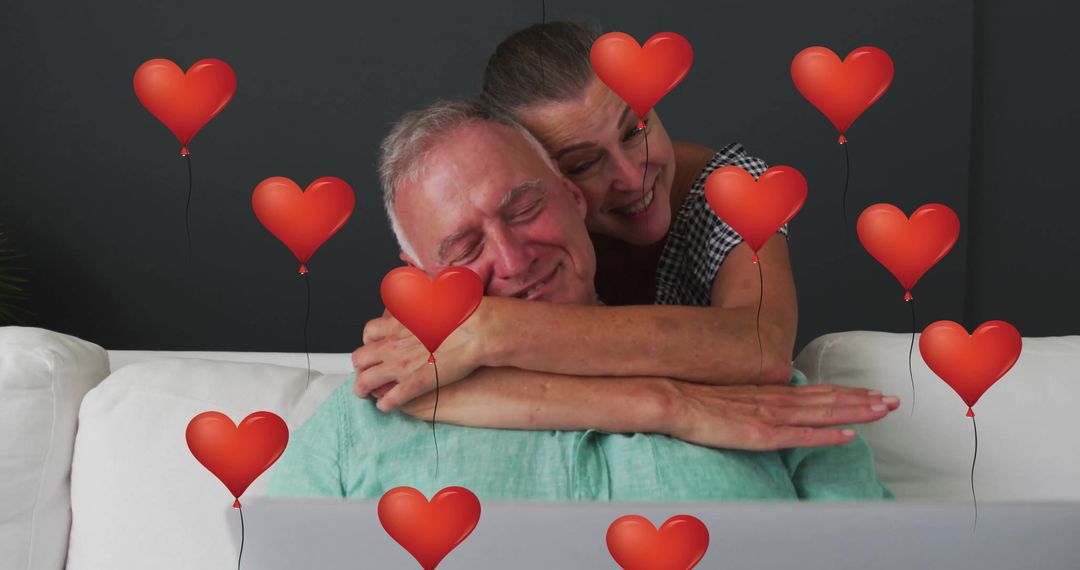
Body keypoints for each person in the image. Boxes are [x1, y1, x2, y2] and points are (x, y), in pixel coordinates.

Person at [268, 100, 895, 501]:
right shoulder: (361, 421)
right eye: (465, 249)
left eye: (524, 208)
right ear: (418, 276)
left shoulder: (768, 399)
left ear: (574, 198)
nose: (514, 260)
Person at [352, 22, 803, 425]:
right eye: (584, 163)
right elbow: (404, 379)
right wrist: (654, 405)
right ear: (539, 170)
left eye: (634, 130)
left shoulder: (732, 191)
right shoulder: (506, 235)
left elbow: (762, 346)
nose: (632, 177)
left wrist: (494, 329)